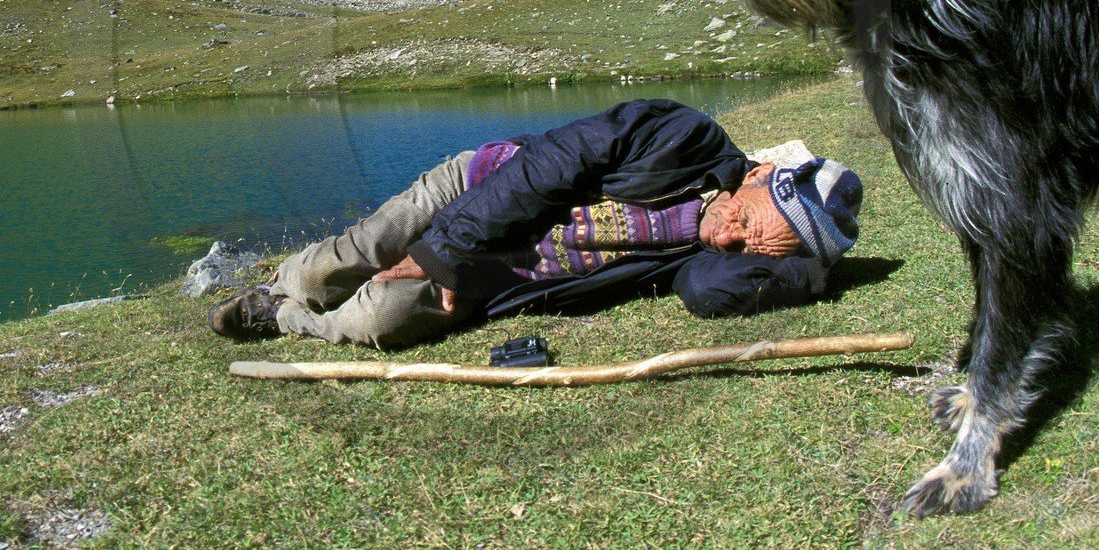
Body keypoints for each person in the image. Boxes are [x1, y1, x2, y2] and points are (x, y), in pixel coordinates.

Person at [208, 99, 861, 349]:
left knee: (374, 320)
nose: (728, 241)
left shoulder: (707, 252)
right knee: (341, 262)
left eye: (750, 249)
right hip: (475, 187)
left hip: (502, 277)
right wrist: (439, 252)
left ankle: (280, 316)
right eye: (745, 221)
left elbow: (710, 293)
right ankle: (288, 280)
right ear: (756, 175)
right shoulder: (682, 135)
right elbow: (551, 164)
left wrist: (807, 268)